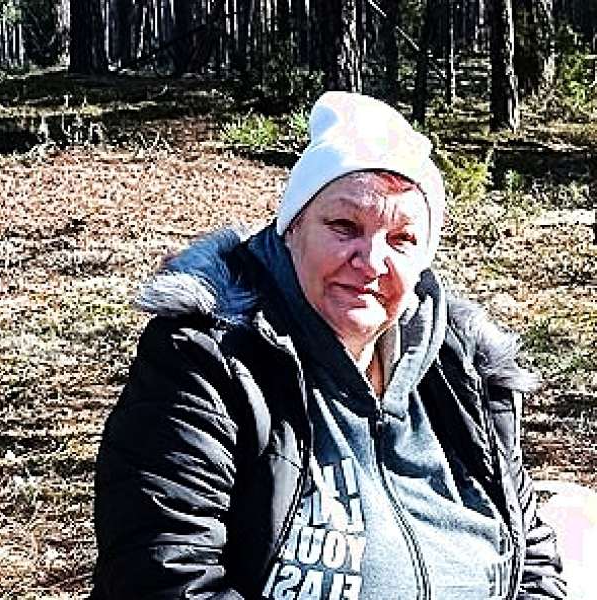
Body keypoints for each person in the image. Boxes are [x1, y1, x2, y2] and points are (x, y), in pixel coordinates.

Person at [90, 91, 566, 600]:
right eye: (344, 227)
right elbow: (164, 576)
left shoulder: (465, 372)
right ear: (291, 228)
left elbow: (531, 557)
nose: (371, 261)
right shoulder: (209, 361)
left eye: (402, 239)